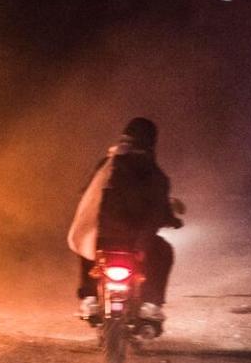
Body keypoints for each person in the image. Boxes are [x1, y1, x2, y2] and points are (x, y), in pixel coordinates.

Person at [66, 116, 181, 327]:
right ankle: (150, 303)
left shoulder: (106, 165)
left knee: (86, 248)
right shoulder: (155, 174)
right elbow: (158, 210)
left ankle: (90, 297)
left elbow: (87, 195)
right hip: (137, 243)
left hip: (103, 238)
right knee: (164, 251)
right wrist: (171, 220)